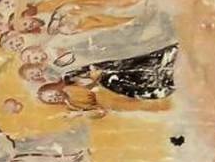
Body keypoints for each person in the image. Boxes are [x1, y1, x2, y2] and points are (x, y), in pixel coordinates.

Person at [37, 43, 178, 115]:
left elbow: (89, 74)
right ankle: (162, 84)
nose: (54, 97)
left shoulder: (68, 78)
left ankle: (162, 67)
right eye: (51, 100)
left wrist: (93, 80)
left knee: (123, 74)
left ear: (53, 87)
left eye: (51, 94)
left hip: (105, 78)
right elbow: (95, 110)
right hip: (108, 95)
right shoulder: (72, 105)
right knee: (130, 92)